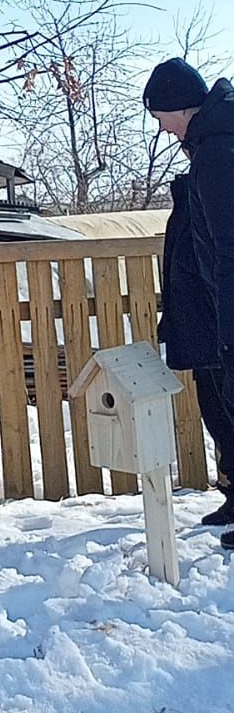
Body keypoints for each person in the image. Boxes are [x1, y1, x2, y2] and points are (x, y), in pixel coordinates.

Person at [144, 57, 234, 539]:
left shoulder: (219, 151)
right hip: (211, 310)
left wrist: (227, 324)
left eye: (160, 118)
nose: (163, 129)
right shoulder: (208, 149)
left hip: (226, 312)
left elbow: (227, 242)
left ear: (179, 108)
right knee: (219, 406)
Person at [159, 165, 234, 526]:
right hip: (203, 326)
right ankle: (233, 492)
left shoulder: (216, 179)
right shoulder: (191, 194)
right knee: (217, 412)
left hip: (220, 323)